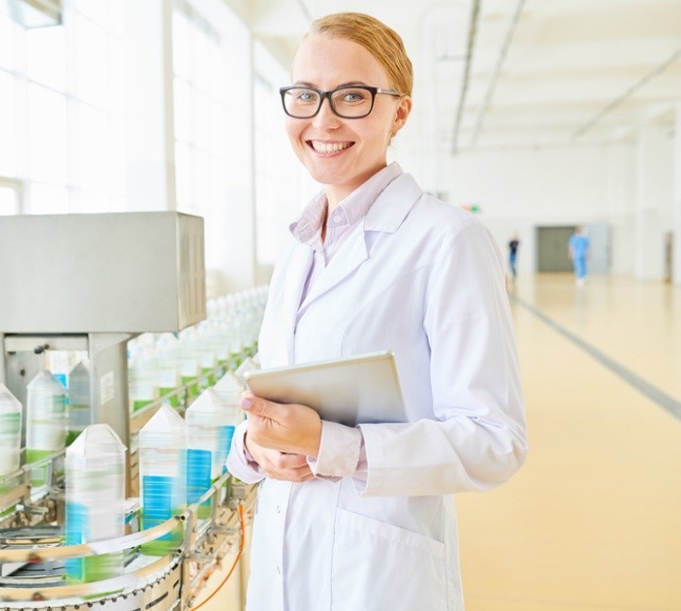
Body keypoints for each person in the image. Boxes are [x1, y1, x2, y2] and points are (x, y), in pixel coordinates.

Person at [225, 12, 527, 610]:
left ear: (399, 112)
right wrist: (254, 448)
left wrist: (335, 447)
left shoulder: (448, 240)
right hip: (284, 564)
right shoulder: (296, 249)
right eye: (306, 95)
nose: (323, 119)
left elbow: (496, 441)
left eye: (353, 97)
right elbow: (284, 403)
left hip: (380, 575)